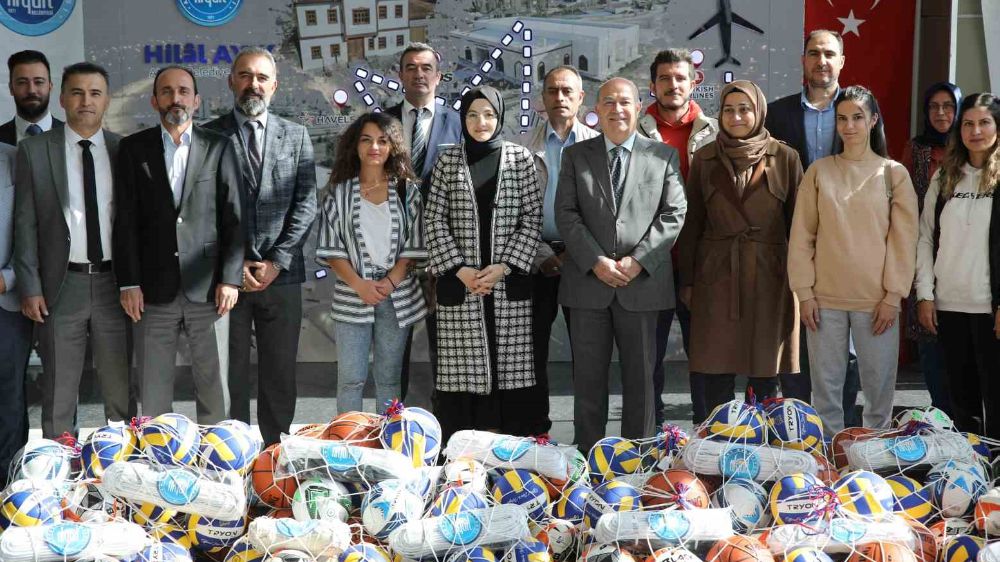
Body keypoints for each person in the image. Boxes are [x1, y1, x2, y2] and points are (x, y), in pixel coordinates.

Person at [555, 77, 686, 453]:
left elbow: (674, 213)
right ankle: (587, 461)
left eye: (624, 102)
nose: (617, 109)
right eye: (608, 102)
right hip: (588, 287)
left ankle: (639, 463)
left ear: (638, 106)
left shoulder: (662, 156)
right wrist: (595, 260)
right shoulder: (576, 156)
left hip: (642, 286)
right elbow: (566, 213)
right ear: (595, 109)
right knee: (588, 382)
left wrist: (639, 260)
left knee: (642, 384)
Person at [113, 66, 243, 423]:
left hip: (209, 290)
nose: (176, 98)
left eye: (184, 91)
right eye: (167, 91)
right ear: (155, 100)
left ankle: (216, 470)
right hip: (152, 293)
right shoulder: (132, 149)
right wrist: (129, 282)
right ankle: (158, 467)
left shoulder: (219, 147)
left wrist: (231, 279)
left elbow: (234, 217)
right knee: (153, 392)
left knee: (214, 387)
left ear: (197, 101)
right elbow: (124, 222)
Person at [788, 85, 918, 434]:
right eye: (841, 118)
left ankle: (875, 462)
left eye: (857, 117)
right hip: (824, 301)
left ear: (873, 120)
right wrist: (804, 293)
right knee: (825, 392)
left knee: (878, 393)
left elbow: (904, 241)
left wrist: (893, 296)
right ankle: (830, 464)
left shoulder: (893, 174)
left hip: (877, 303)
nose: (849, 126)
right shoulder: (819, 171)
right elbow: (802, 236)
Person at [204, 47, 318, 446]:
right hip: (225, 281)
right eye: (245, 75)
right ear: (232, 80)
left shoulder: (296, 135)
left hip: (281, 277)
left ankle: (276, 454)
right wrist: (233, 267)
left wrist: (276, 262)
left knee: (279, 373)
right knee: (228, 375)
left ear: (275, 85)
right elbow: (204, 210)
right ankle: (232, 454)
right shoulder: (209, 136)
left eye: (262, 77)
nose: (254, 84)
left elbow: (306, 203)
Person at [13, 62, 130, 438]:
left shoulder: (122, 149)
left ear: (107, 101)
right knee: (60, 392)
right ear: (61, 99)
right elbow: (25, 224)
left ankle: (124, 475)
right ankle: (59, 478)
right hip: (61, 287)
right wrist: (30, 287)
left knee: (120, 391)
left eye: (95, 93)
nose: (85, 101)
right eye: (77, 92)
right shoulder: (34, 150)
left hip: (116, 286)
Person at [677, 80, 802, 414]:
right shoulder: (705, 158)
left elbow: (799, 227)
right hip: (716, 277)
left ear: (758, 112)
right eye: (728, 110)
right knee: (714, 371)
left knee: (764, 375)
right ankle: (712, 450)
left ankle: (765, 452)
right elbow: (692, 224)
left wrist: (800, 283)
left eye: (744, 109)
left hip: (770, 277)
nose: (736, 117)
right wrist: (687, 281)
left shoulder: (785, 157)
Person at [425, 86, 542, 442]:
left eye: (489, 114)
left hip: (507, 283)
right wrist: (460, 270)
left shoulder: (520, 158)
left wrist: (503, 266)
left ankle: (512, 455)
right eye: (473, 115)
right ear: (463, 119)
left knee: (512, 372)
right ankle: (461, 455)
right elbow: (433, 220)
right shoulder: (447, 161)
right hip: (462, 285)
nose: (481, 122)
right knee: (462, 374)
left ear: (500, 117)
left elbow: (532, 219)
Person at [765, 29, 860, 422]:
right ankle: (801, 427)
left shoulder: (860, 109)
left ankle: (844, 432)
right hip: (792, 239)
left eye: (829, 54)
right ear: (803, 61)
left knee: (847, 341)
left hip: (848, 243)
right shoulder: (778, 112)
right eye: (813, 53)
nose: (821, 60)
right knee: (797, 336)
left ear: (841, 61)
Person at [317, 112, 427, 415]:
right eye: (366, 140)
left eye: (382, 140)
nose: (374, 147)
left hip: (397, 296)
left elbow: (414, 246)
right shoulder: (338, 193)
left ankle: (386, 446)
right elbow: (331, 248)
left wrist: (390, 281)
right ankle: (348, 445)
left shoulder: (407, 191)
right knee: (351, 379)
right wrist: (359, 285)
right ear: (355, 146)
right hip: (352, 295)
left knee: (389, 379)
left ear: (393, 147)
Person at [638, 48, 719, 424]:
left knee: (705, 359)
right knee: (646, 361)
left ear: (695, 82)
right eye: (665, 78)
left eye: (680, 77)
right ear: (652, 85)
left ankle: (710, 443)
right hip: (649, 262)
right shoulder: (634, 132)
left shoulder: (716, 133)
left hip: (701, 265)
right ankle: (648, 440)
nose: (673, 85)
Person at [518, 65, 599, 438]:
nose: (560, 98)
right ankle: (538, 434)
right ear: (542, 99)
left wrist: (572, 256)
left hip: (583, 262)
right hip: (536, 261)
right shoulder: (521, 148)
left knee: (587, 354)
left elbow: (604, 212)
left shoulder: (598, 147)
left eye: (568, 91)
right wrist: (540, 255)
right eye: (552, 91)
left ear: (581, 98)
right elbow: (513, 210)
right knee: (531, 353)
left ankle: (588, 437)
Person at [916, 93, 1000, 437]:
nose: (975, 131)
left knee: (996, 402)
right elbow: (924, 237)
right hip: (949, 306)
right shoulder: (945, 177)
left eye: (984, 122)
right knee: (962, 405)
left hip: (990, 310)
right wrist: (924, 294)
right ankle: (970, 472)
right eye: (968, 123)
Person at [386, 42, 463, 410]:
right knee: (391, 351)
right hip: (391, 253)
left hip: (442, 253)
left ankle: (446, 429)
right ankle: (389, 424)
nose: (419, 74)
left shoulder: (460, 124)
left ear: (439, 75)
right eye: (411, 67)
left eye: (426, 67)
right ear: (400, 74)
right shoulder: (380, 124)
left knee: (445, 349)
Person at [901, 81, 962, 415]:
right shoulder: (917, 149)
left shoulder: (972, 149)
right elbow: (902, 197)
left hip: (964, 257)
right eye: (934, 107)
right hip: (923, 251)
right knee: (930, 341)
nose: (941, 113)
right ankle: (940, 412)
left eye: (948, 106)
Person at [0, 142, 31, 487]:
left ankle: (8, 489)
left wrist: (7, 278)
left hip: (4, 303)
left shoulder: (12, 159)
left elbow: (31, 229)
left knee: (8, 399)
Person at [2, 50, 64, 145]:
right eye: (22, 82)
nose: (31, 90)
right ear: (11, 88)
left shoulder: (72, 136)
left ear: (50, 86)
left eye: (39, 82)